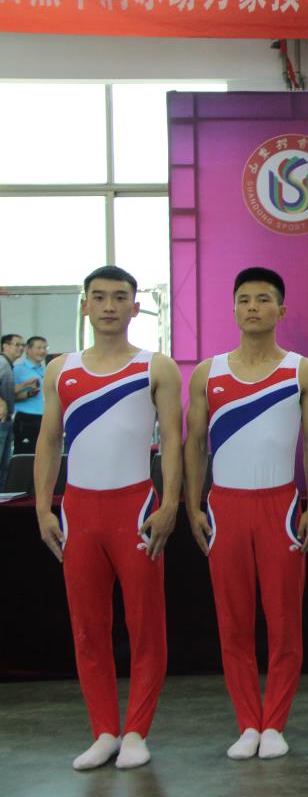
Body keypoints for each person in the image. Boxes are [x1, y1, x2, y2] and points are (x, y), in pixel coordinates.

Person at [33, 266, 183, 770]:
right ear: (85, 305)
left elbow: (173, 441)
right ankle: (103, 730)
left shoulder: (156, 367)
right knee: (88, 627)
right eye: (99, 297)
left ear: (135, 307)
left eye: (120, 297)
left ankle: (136, 730)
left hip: (134, 509)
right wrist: (43, 507)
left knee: (145, 626)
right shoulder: (61, 369)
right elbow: (49, 440)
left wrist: (169, 503)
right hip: (79, 511)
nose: (109, 306)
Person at [182, 267, 308, 760]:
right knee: (234, 622)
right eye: (244, 299)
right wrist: (193, 503)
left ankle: (275, 724)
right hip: (225, 506)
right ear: (234, 308)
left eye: (263, 299)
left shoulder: (302, 371)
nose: (252, 307)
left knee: (284, 623)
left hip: (280, 507)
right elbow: (194, 444)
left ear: (280, 310)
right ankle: (248, 722)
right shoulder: (208, 373)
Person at [13, 334, 50, 453]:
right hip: (26, 418)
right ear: (28, 349)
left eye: (45, 348)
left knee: (44, 453)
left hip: (45, 417)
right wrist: (28, 392)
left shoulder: (46, 370)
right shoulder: (18, 369)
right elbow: (9, 395)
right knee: (26, 455)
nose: (42, 351)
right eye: (38, 348)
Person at [0, 333, 21, 487]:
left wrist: (26, 388)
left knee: (4, 465)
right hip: (1, 420)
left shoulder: (8, 365)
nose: (21, 348)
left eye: (22, 345)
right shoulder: (1, 363)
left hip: (6, 421)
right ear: (5, 346)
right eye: (17, 344)